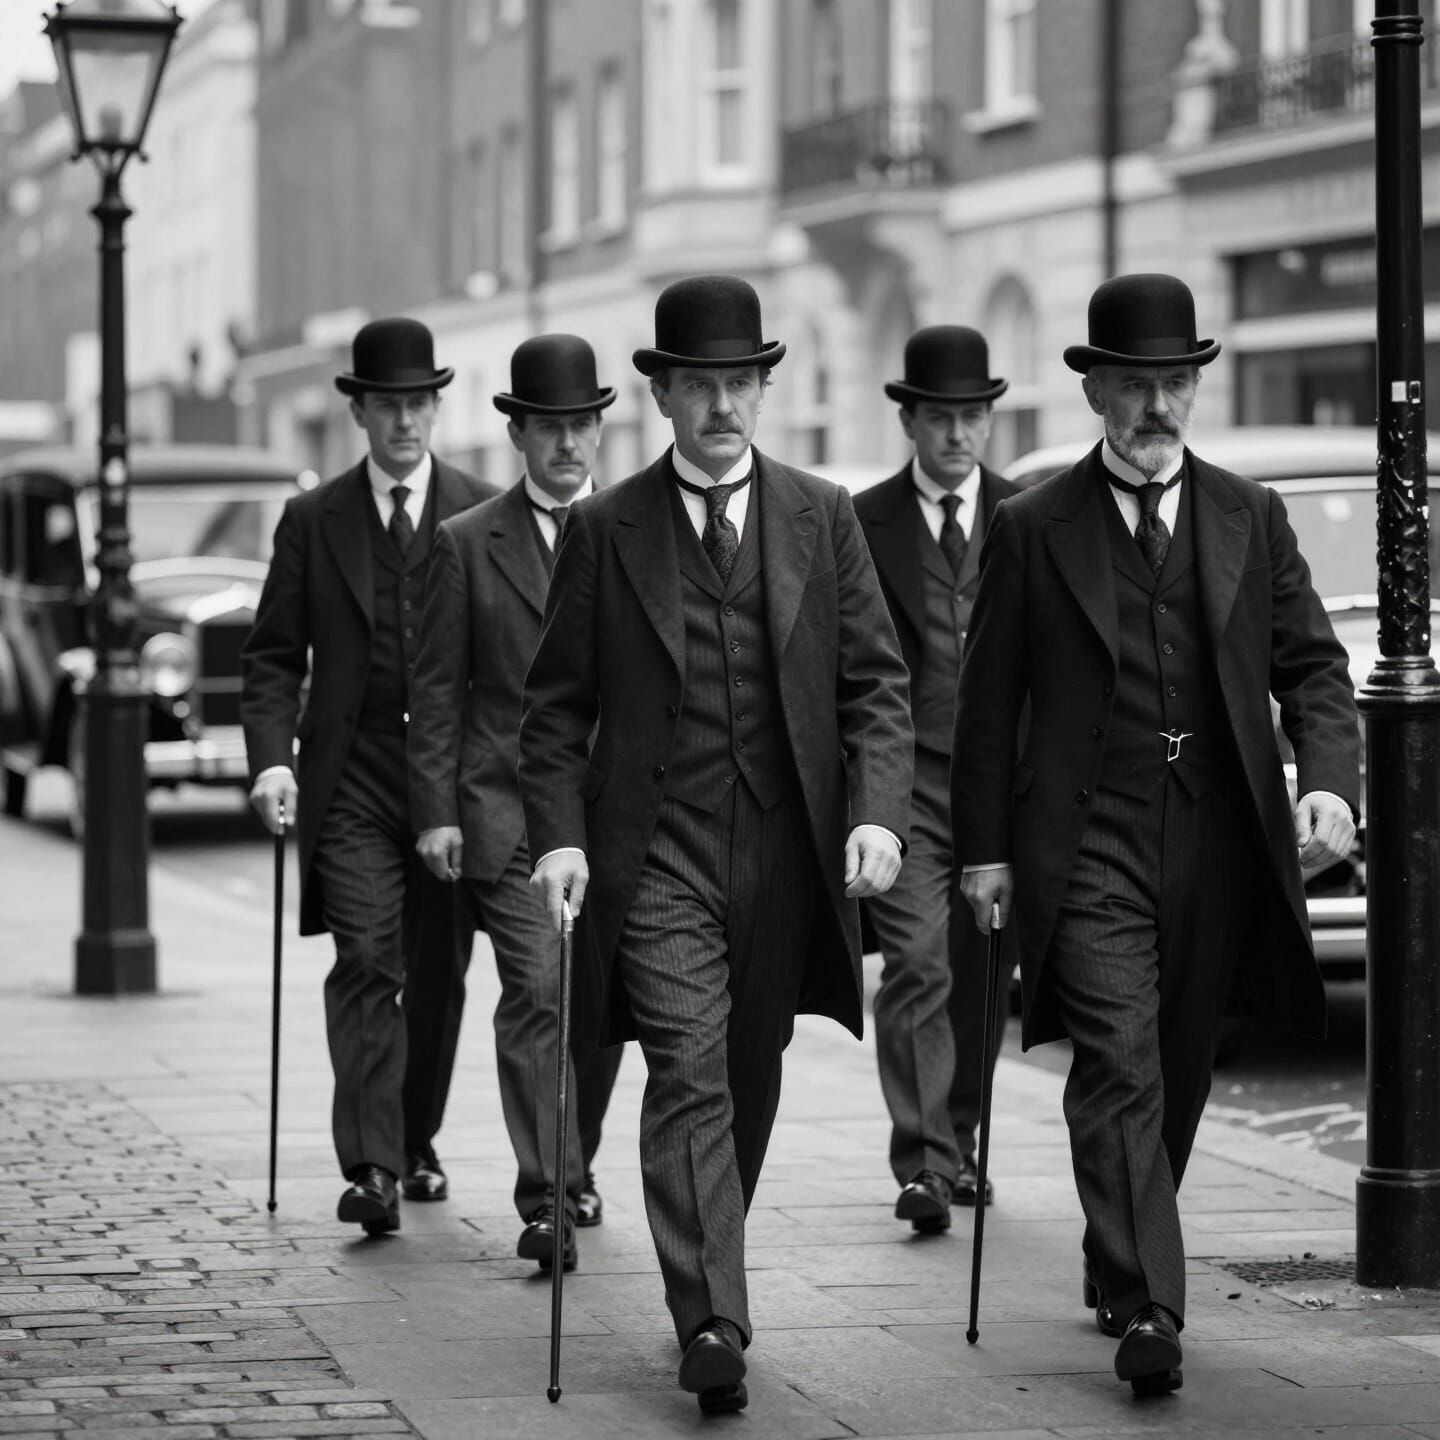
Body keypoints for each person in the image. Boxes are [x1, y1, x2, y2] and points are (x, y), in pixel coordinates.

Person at [951, 273, 1360, 1396]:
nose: (1158, 407)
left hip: (1218, 834)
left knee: (1178, 1068)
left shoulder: (1249, 515)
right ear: (1099, 394)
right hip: (1087, 839)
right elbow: (987, 706)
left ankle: (1117, 1245)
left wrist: (1331, 779)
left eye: (1175, 383)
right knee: (1120, 1064)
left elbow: (1316, 668)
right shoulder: (1032, 528)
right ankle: (1148, 1307)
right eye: (1137, 387)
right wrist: (981, 852)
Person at [518, 275, 913, 1415]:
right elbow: (552, 711)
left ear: (763, 390)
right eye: (702, 387)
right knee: (687, 1072)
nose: (724, 405)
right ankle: (712, 1322)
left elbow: (877, 685)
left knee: (748, 1072)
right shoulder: (605, 529)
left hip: (787, 852)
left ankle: (706, 1247)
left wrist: (879, 810)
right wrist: (558, 840)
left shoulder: (820, 516)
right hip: (659, 854)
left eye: (741, 383)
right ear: (666, 398)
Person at [241, 317, 494, 1235]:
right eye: (387, 405)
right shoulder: (315, 520)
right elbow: (271, 659)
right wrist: (273, 759)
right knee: (366, 961)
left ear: (435, 407)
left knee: (439, 974)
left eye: (418, 403)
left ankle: (414, 1136)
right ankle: (372, 1167)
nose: (404, 422)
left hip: (454, 787)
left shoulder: (478, 510)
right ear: (360, 412)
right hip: (349, 781)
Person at [406, 334, 624, 1273]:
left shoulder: (629, 533)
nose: (569, 444)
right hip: (504, 814)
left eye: (582, 426)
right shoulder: (466, 544)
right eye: (551, 429)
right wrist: (436, 809)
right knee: (537, 993)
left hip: (615, 812)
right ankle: (547, 1196)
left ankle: (573, 1162)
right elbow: (438, 687)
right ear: (520, 436)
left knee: (605, 1007)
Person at [854, 325, 1019, 1232]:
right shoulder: (861, 519)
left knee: (983, 969)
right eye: (942, 418)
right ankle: (924, 1163)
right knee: (916, 965)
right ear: (911, 421)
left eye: (973, 417)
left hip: (1000, 788)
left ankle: (960, 1138)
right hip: (906, 785)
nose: (959, 435)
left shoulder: (1028, 513)